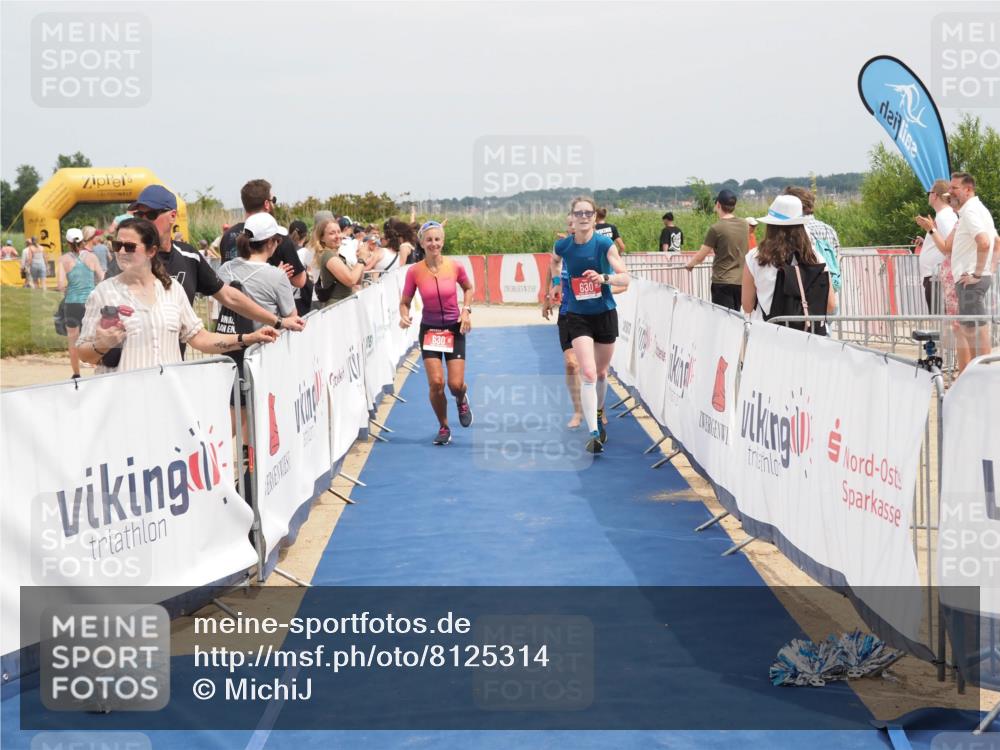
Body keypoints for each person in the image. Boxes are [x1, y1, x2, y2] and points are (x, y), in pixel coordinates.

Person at [77, 218, 279, 373]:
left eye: (129, 247)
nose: (121, 252)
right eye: (116, 245)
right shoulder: (103, 293)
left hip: (168, 402)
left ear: (151, 251)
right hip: (123, 405)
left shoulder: (172, 289)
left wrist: (248, 338)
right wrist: (101, 344)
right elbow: (83, 353)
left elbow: (199, 338)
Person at [118, 185, 303, 352]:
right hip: (130, 371)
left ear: (173, 216)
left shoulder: (189, 257)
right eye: (137, 215)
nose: (143, 221)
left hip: (170, 372)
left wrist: (278, 322)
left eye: (150, 215)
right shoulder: (127, 261)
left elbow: (228, 296)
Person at [549, 197, 630, 454]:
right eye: (579, 212)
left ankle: (597, 409)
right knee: (588, 373)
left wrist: (603, 278)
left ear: (595, 217)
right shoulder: (563, 246)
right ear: (572, 217)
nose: (584, 216)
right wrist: (554, 283)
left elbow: (625, 276)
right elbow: (554, 260)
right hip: (577, 315)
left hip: (604, 313)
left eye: (588, 212)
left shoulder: (604, 244)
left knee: (603, 373)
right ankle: (594, 431)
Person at [399, 221, 474, 445]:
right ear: (421, 242)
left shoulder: (455, 266)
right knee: (436, 383)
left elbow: (468, 288)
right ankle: (443, 426)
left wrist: (466, 310)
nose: (434, 244)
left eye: (437, 239)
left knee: (455, 384)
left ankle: (461, 398)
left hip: (454, 328)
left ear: (443, 241)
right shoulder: (414, 272)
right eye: (429, 240)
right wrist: (403, 314)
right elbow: (404, 302)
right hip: (430, 330)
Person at [918, 172, 996, 375]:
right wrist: (988, 270)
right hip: (969, 278)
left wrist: (979, 273)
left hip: (968, 278)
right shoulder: (974, 211)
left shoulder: (969, 212)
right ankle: (972, 376)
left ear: (968, 190)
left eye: (954, 188)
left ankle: (978, 377)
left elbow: (985, 242)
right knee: (968, 328)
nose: (949, 192)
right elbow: (995, 243)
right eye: (949, 188)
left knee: (972, 330)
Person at [217, 213, 296, 380]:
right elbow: (292, 317)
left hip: (229, 348)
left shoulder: (225, 269)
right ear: (269, 243)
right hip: (262, 354)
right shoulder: (276, 276)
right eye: (277, 240)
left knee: (235, 403)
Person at [741, 195, 836, 322]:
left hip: (766, 332)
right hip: (807, 335)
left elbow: (747, 306)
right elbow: (830, 306)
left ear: (770, 225)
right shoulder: (815, 257)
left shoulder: (756, 257)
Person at [219, 180, 307, 294]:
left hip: (232, 306)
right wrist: (278, 275)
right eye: (273, 200)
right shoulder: (277, 236)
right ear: (266, 204)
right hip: (264, 307)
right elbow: (300, 281)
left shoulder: (228, 235)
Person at [544, 213, 583, 428]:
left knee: (593, 368)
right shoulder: (561, 248)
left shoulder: (594, 248)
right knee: (571, 364)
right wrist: (549, 294)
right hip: (567, 313)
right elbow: (552, 268)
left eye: (575, 224)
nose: (572, 227)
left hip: (590, 313)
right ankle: (578, 411)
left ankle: (599, 409)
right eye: (569, 224)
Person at [685, 189, 748, 310]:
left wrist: (690, 264)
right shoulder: (744, 224)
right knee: (736, 319)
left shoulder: (716, 228)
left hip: (722, 282)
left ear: (718, 204)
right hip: (740, 282)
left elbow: (701, 255)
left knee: (723, 321)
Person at [57, 227, 104, 379]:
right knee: (95, 337)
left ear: (67, 242)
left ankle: (76, 374)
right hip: (90, 303)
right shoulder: (92, 258)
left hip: (72, 303)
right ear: (83, 241)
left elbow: (60, 284)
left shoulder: (64, 259)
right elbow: (102, 278)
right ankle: (99, 369)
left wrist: (67, 289)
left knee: (73, 339)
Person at [914, 180, 958, 314]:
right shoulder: (944, 215)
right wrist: (926, 242)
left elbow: (951, 245)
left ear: (935, 195)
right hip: (936, 277)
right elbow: (945, 240)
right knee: (941, 323)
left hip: (938, 278)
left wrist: (931, 230)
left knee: (941, 324)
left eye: (929, 192)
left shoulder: (944, 217)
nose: (928, 196)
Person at [312, 216, 372, 307]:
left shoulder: (337, 255)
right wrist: (362, 258)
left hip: (344, 305)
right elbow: (351, 280)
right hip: (337, 307)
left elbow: (357, 280)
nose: (337, 236)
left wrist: (360, 260)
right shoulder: (328, 255)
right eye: (332, 233)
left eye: (339, 232)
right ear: (322, 238)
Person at [288, 220, 314, 316]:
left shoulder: (283, 251)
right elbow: (312, 273)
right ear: (305, 235)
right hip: (300, 296)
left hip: (286, 298)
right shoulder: (306, 252)